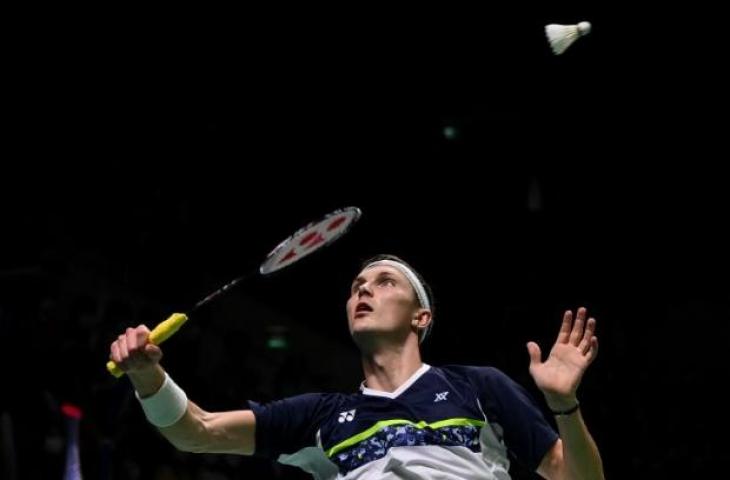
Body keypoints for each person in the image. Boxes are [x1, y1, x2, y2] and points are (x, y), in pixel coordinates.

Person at [109, 254, 605, 479]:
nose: (363, 290)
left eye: (384, 282)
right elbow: (197, 431)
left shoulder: (476, 386)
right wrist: (146, 376)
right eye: (355, 287)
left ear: (421, 316)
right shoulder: (324, 415)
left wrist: (565, 405)